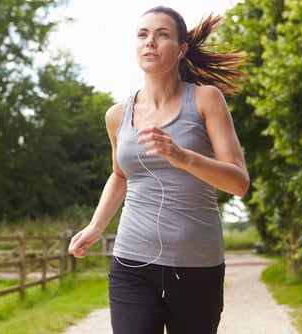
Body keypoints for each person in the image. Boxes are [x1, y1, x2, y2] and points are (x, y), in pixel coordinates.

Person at [68, 6, 249, 334]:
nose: (150, 42)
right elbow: (120, 175)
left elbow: (238, 182)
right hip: (132, 262)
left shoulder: (206, 100)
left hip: (197, 266)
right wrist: (96, 226)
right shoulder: (117, 115)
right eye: (143, 35)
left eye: (162, 35)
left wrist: (183, 157)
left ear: (181, 50)